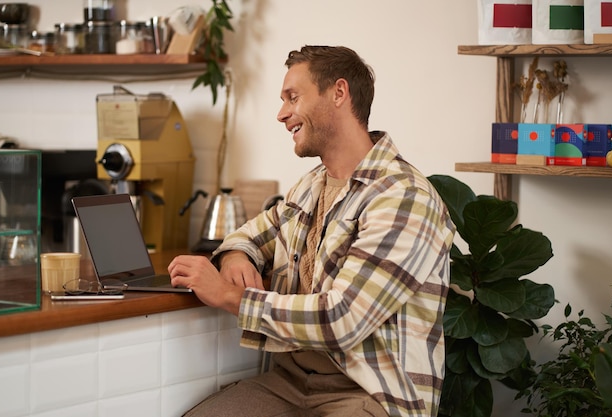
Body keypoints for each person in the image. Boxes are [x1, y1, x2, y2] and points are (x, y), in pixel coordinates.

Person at [168, 45, 456, 417]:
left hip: (369, 395)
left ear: (339, 93)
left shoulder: (403, 197)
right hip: (290, 382)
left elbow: (343, 319)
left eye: (293, 97)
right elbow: (249, 234)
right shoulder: (311, 186)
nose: (281, 113)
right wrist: (237, 255)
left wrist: (229, 296)